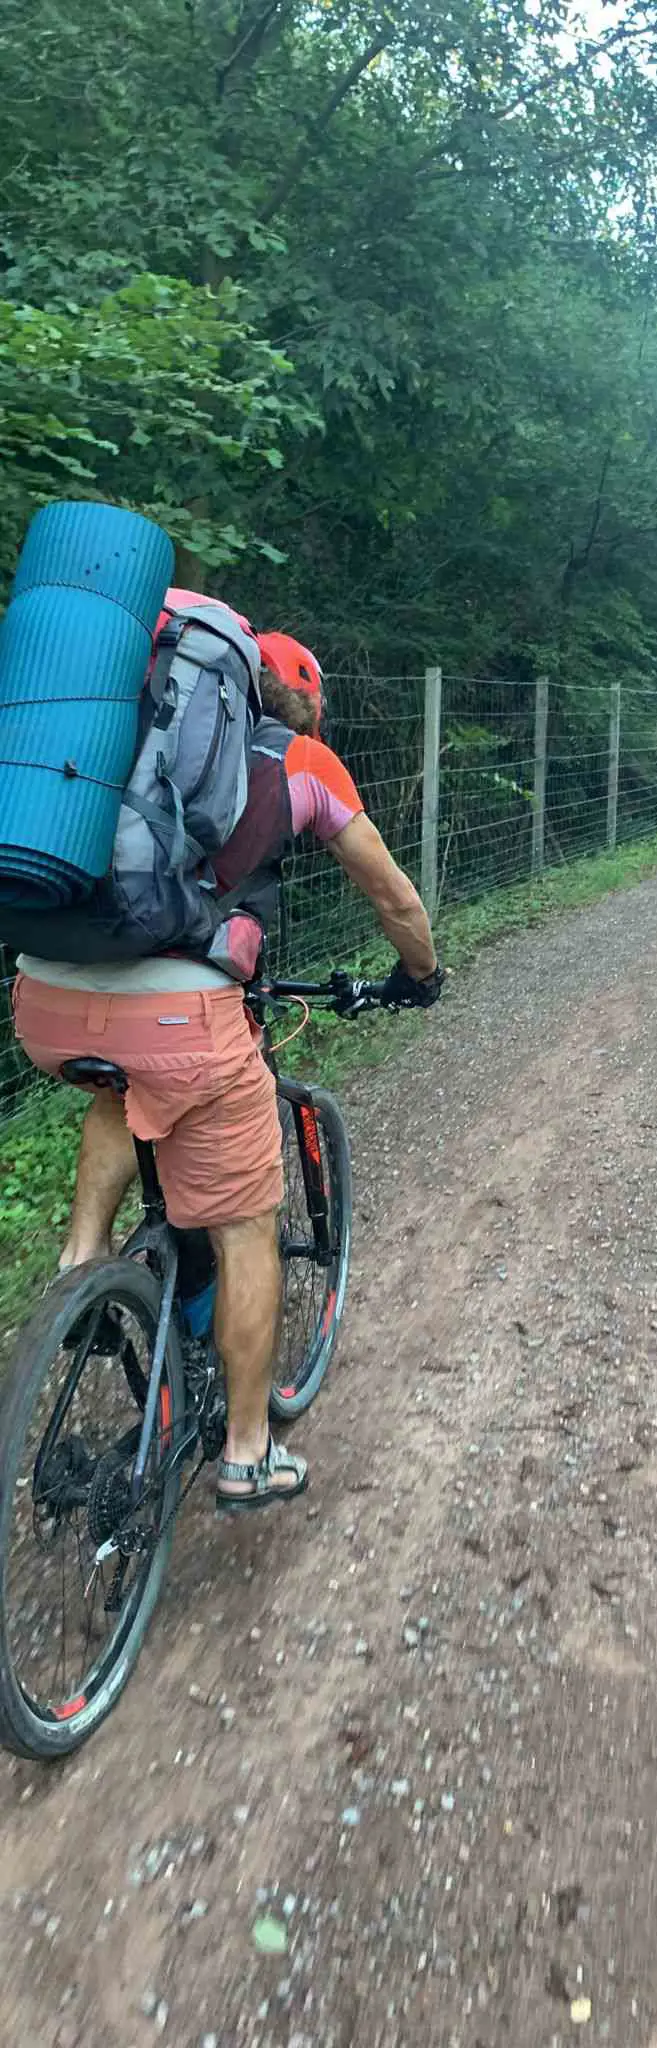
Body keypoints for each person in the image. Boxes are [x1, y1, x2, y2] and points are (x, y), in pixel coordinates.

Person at [12, 599, 442, 1511]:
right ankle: (248, 1453)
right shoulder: (301, 759)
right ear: (305, 702)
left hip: (44, 994)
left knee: (126, 1088)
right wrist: (421, 973)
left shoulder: (128, 735)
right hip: (180, 1015)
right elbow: (394, 896)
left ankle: (80, 1270)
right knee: (247, 1222)